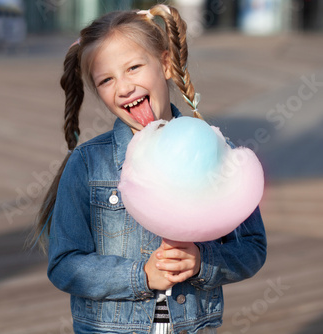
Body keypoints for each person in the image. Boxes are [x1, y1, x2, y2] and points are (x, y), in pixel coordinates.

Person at [32, 4, 267, 334]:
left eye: (133, 68)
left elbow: (252, 248)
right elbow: (64, 264)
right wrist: (141, 274)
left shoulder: (211, 150)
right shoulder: (87, 164)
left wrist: (202, 261)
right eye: (106, 80)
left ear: (166, 64)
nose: (124, 87)